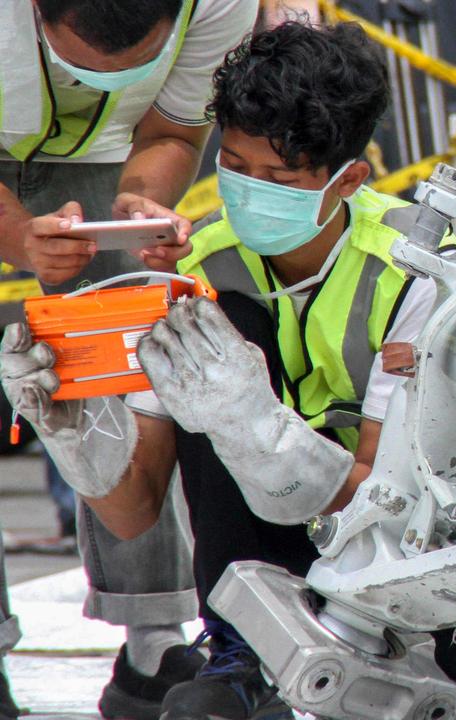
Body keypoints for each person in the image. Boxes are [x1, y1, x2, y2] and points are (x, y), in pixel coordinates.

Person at [2, 22, 456, 719]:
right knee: (217, 327)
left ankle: (435, 663)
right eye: (233, 165)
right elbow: (135, 514)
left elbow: (393, 508)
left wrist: (256, 428)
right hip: (311, 534)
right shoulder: (199, 274)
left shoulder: (421, 272)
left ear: (348, 178)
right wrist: (76, 434)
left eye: (279, 178)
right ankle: (244, 655)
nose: (250, 190)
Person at [0, 1, 256, 718]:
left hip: (107, 153)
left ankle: (153, 639)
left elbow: (174, 127)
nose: (102, 78)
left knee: (137, 355)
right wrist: (20, 237)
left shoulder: (221, 4)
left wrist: (142, 200)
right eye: (81, 60)